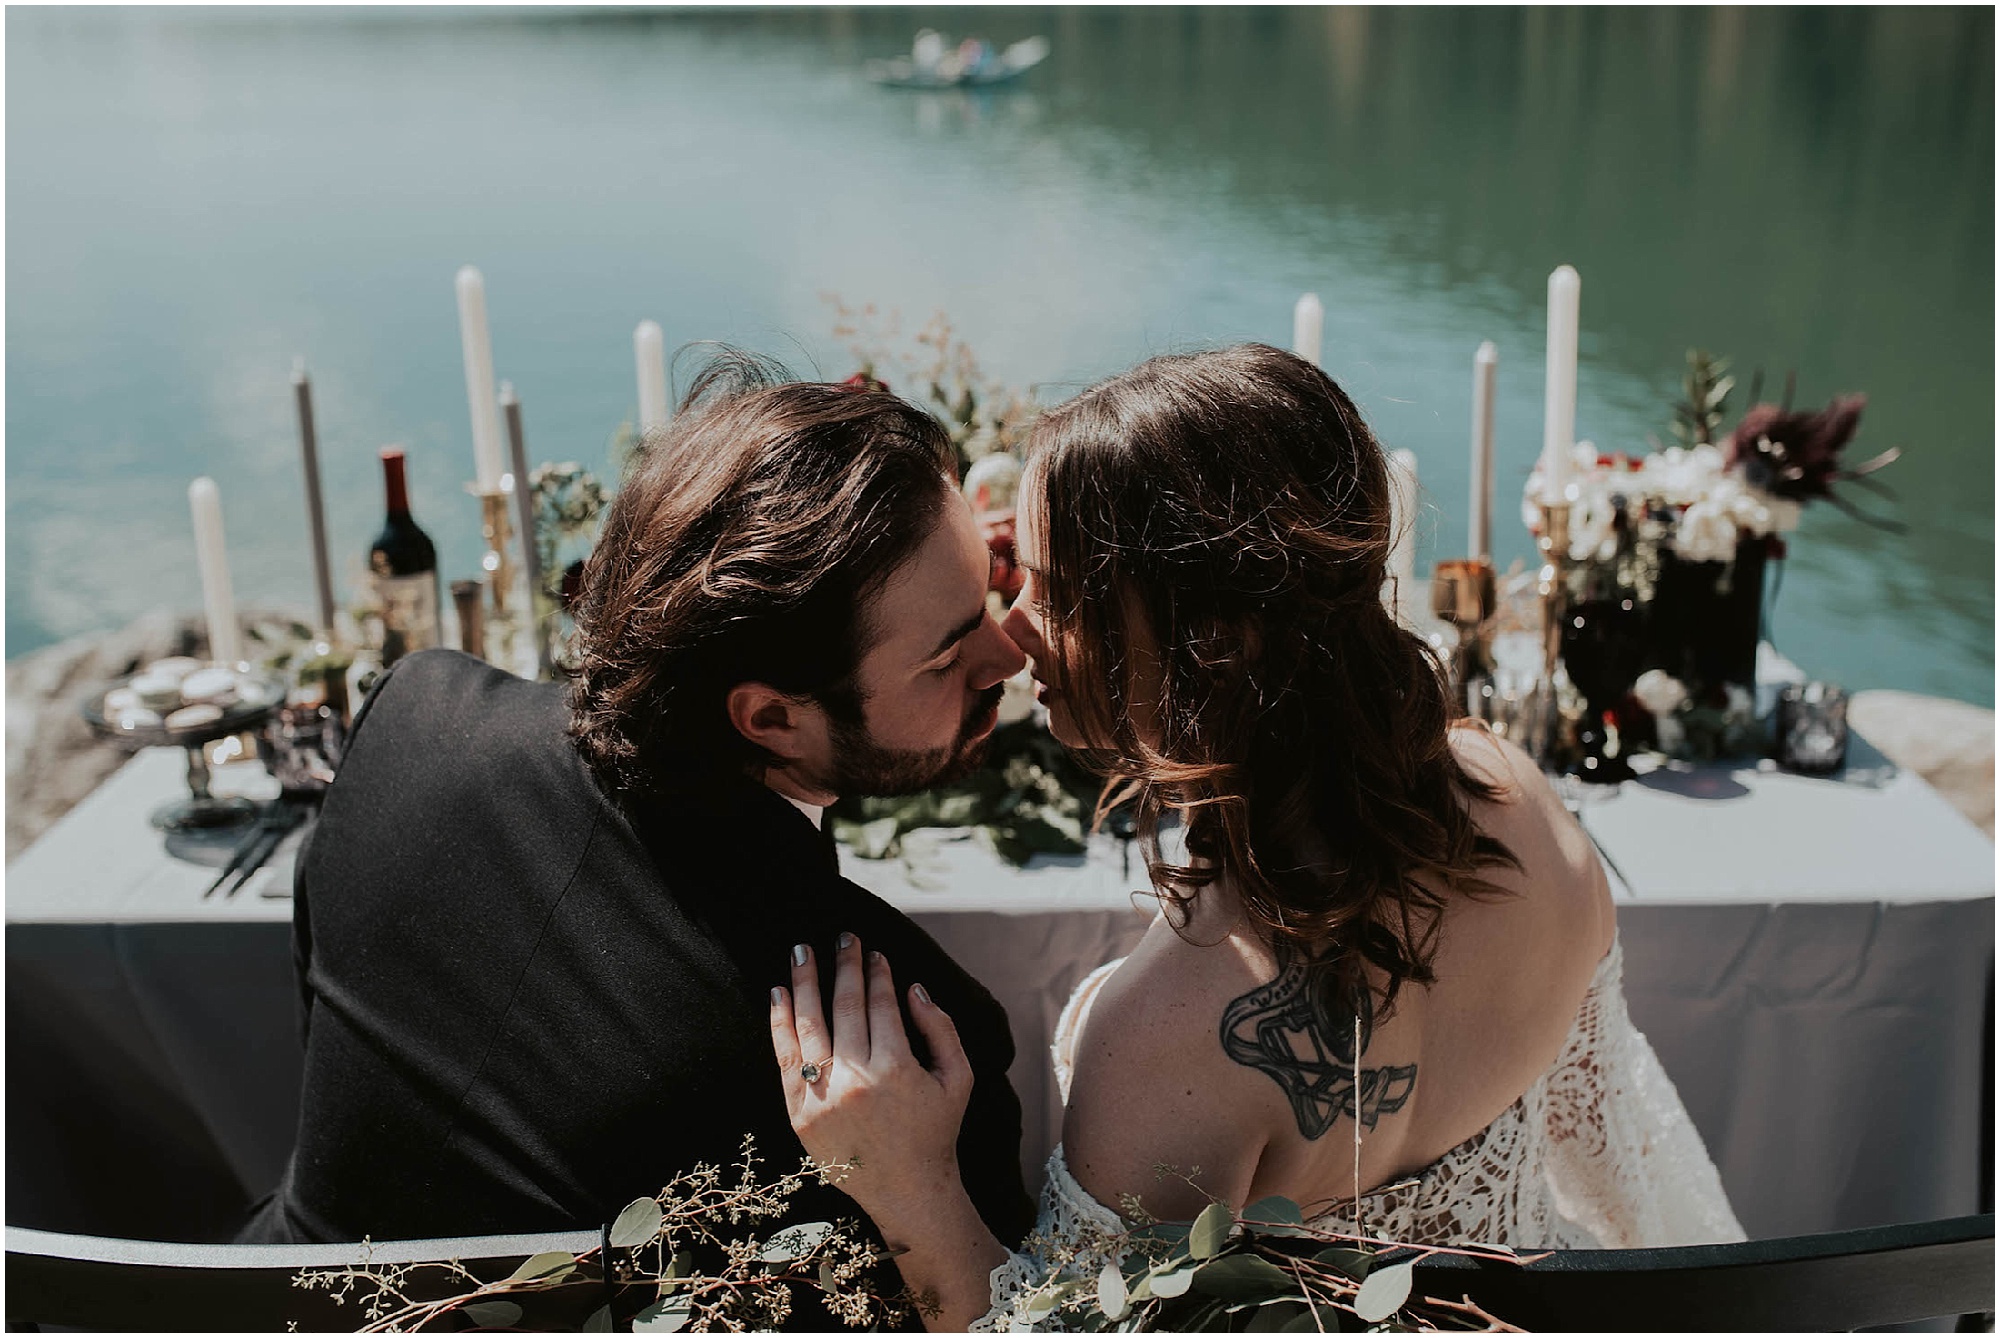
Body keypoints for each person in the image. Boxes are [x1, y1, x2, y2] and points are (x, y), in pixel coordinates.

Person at [769, 344, 1745, 1330]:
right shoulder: (1518, 799)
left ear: (1214, 641)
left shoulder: (1170, 1027)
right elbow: (1607, 1147)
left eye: (1057, 592)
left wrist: (906, 1182)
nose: (1016, 629)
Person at [240, 354, 1036, 1260]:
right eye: (945, 656)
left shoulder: (412, 716)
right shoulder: (911, 1044)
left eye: (989, 596)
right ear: (771, 716)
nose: (1006, 658)